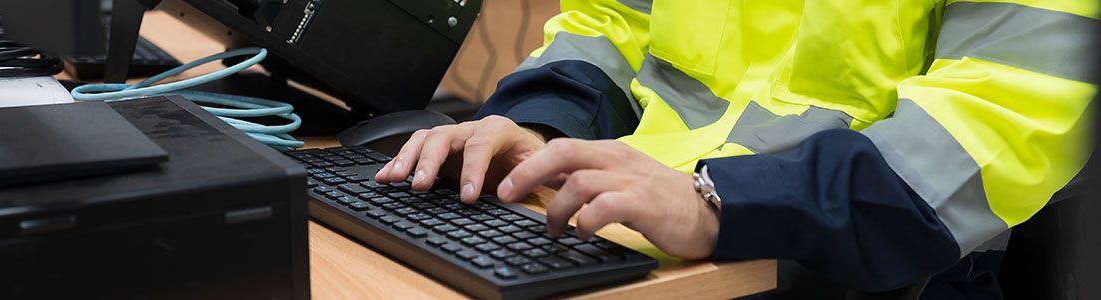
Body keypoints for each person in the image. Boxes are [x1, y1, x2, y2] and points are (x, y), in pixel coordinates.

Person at [376, 0, 1096, 297]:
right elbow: (615, 19)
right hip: (637, 235)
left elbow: (997, 120)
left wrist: (725, 201)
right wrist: (541, 126)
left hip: (863, 264)